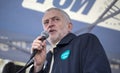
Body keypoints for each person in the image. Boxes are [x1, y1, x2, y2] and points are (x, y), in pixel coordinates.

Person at [29, 7, 111, 73]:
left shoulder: (85, 41)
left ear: (69, 26)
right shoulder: (50, 57)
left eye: (56, 19)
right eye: (46, 22)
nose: (50, 24)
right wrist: (38, 66)